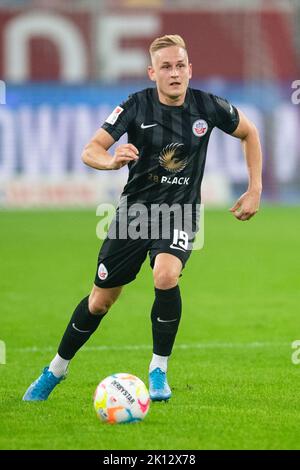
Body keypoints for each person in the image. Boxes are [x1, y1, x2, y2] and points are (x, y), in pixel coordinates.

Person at [23, 34, 262, 402]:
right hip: (134, 215)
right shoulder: (135, 106)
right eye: (166, 67)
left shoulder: (208, 105)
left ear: (189, 69)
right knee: (99, 302)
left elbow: (249, 132)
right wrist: (112, 160)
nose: (175, 73)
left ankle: (158, 369)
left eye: (181, 65)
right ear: (153, 72)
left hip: (179, 213)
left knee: (165, 275)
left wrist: (255, 187)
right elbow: (91, 150)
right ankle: (55, 369)